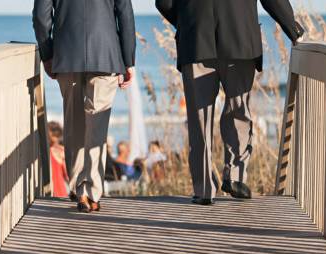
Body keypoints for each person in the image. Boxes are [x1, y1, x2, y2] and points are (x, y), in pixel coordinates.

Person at [156, 0, 304, 205]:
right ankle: (235, 176)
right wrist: (292, 29)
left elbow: (164, 2)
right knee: (239, 109)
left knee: (200, 118)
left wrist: (188, 22)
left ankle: (204, 188)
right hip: (239, 34)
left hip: (196, 37)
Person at [33, 0, 136, 212]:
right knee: (97, 124)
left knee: (73, 123)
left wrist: (47, 54)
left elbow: (41, 17)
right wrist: (128, 59)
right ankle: (93, 191)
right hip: (105, 54)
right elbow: (125, 14)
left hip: (67, 55)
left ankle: (80, 189)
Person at [48, 121, 69, 198]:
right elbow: (67, 175)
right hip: (61, 193)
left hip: (56, 192)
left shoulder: (47, 152)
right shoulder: (62, 151)